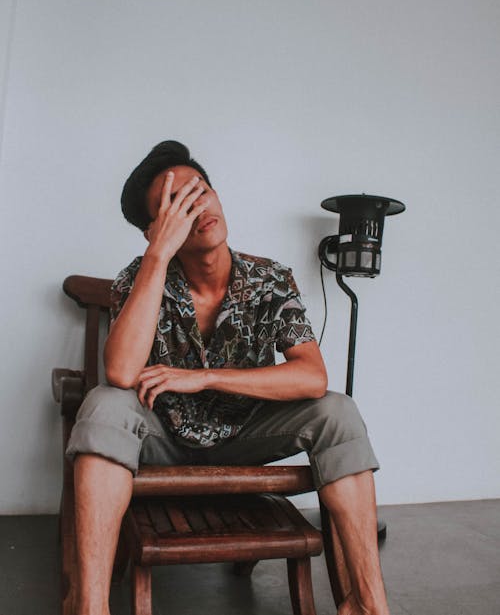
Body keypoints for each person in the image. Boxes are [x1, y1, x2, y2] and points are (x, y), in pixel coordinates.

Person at [66, 140, 390, 615]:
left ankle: (367, 604)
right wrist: (157, 259)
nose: (198, 209)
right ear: (154, 230)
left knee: (338, 412)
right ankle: (90, 609)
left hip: (246, 433)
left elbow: (312, 378)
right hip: (163, 437)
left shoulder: (270, 279)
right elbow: (119, 372)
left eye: (200, 191)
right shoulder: (138, 276)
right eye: (176, 205)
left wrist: (205, 378)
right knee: (102, 403)